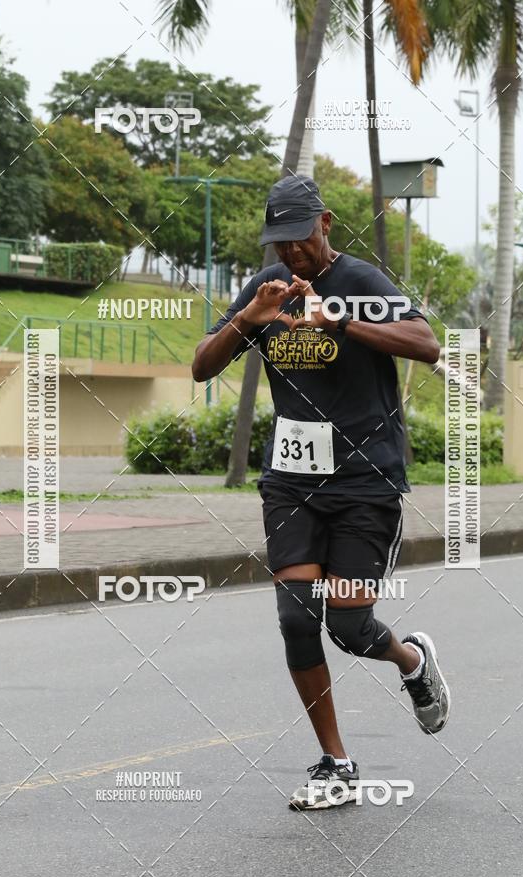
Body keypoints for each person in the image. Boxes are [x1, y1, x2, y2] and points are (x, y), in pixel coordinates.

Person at [192, 175, 451, 811]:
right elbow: (201, 366)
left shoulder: (360, 282)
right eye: (279, 242)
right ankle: (337, 764)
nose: (291, 253)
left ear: (325, 224)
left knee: (350, 624)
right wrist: (247, 320)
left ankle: (411, 659)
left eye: (299, 238)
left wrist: (336, 316)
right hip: (291, 483)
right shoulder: (264, 288)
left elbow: (425, 343)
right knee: (296, 619)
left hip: (366, 482)